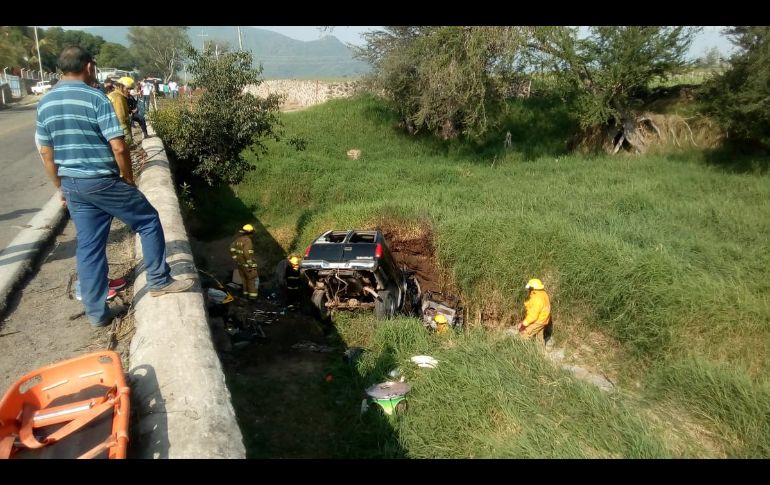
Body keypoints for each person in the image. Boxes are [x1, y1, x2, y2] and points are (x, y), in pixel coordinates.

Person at [35, 46, 194, 327]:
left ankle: (97, 314)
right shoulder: (96, 97)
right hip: (101, 180)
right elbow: (119, 146)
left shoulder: (45, 102)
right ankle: (159, 280)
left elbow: (46, 153)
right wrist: (128, 179)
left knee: (89, 246)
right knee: (148, 220)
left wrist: (61, 187)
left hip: (73, 184)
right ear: (88, 66)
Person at [516, 278, 552, 349]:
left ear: (533, 288)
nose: (528, 289)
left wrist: (524, 324)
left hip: (538, 321)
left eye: (529, 288)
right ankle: (541, 351)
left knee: (524, 334)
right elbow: (533, 305)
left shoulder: (536, 299)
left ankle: (523, 351)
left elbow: (533, 315)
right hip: (544, 319)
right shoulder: (543, 293)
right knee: (539, 337)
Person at [230, 224, 259, 300]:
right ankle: (253, 298)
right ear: (250, 233)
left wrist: (236, 258)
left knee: (244, 280)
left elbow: (231, 249)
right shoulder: (248, 241)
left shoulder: (238, 239)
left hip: (240, 265)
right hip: (247, 266)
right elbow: (246, 253)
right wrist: (250, 264)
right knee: (252, 281)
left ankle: (245, 296)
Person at [107, 76, 132, 146]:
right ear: (121, 87)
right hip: (119, 129)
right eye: (127, 89)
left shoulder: (114, 95)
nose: (129, 91)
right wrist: (127, 135)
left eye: (130, 89)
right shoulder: (118, 97)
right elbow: (121, 118)